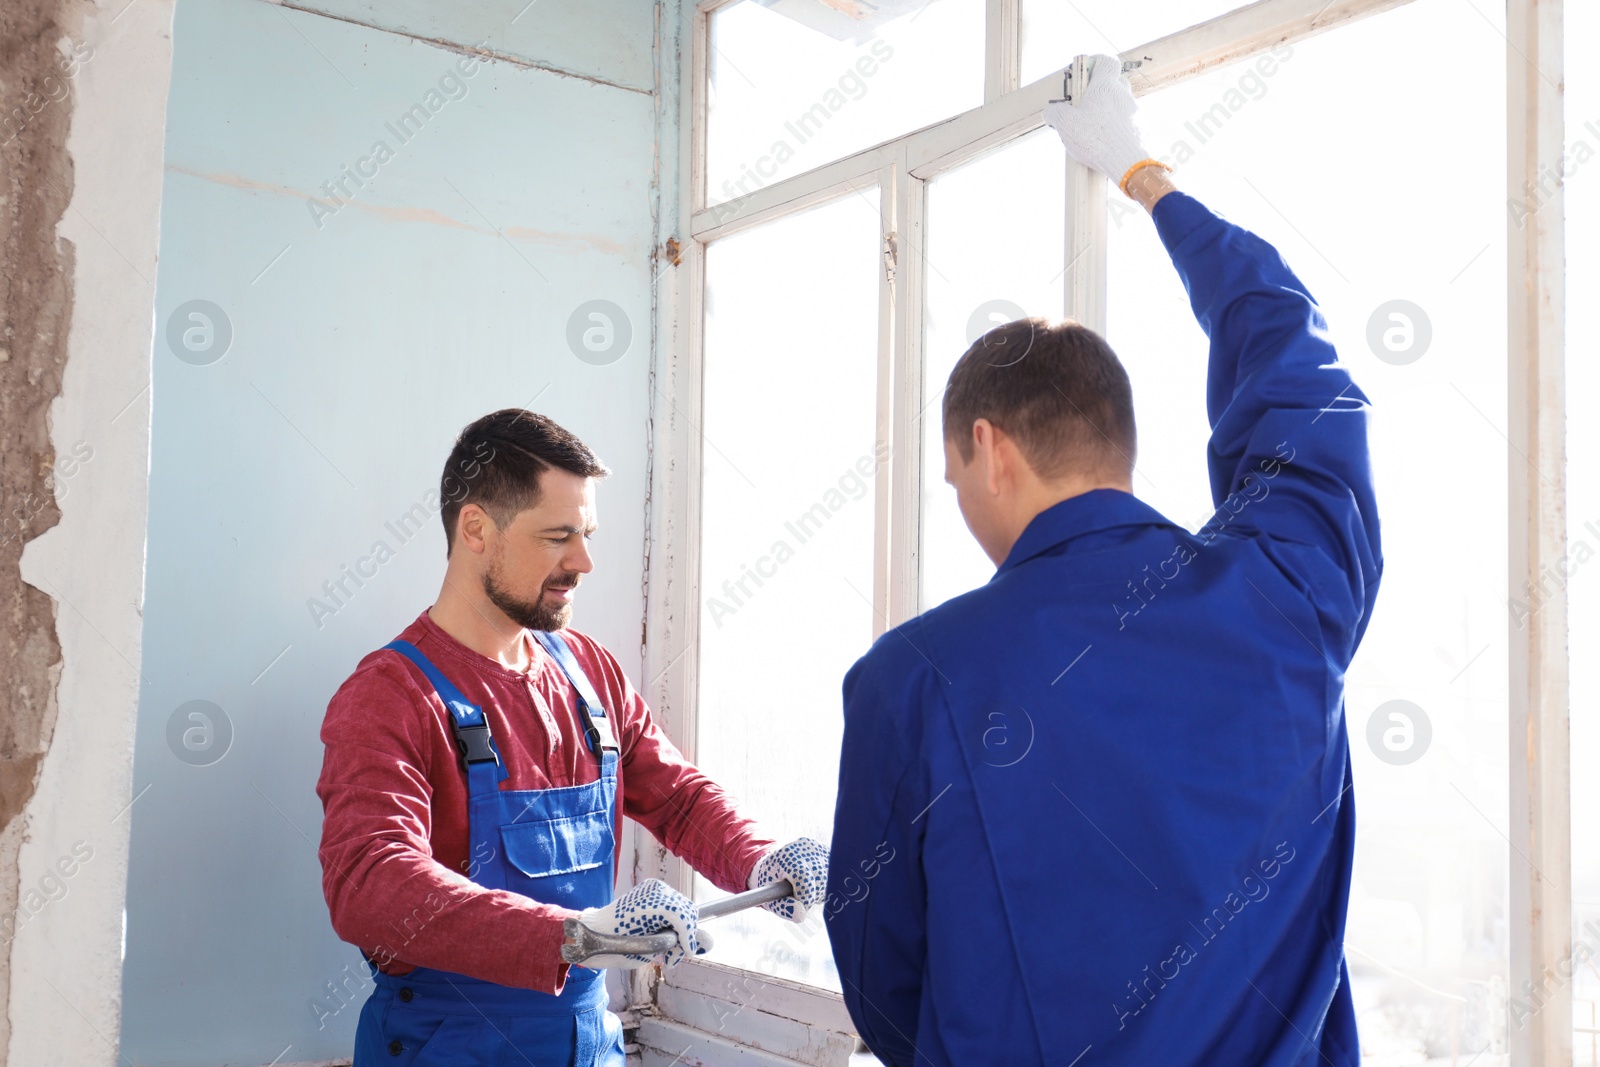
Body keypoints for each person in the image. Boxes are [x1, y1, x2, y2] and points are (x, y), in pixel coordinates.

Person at [825, 55, 1380, 1066]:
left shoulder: (910, 680)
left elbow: (882, 977)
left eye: (952, 479)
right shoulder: (1289, 595)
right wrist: (1141, 173)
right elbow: (1297, 363)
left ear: (988, 446)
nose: (961, 505)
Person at [316, 409, 829, 1066]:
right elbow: (371, 882)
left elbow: (677, 797)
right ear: (475, 528)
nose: (583, 561)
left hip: (588, 1044)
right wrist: (572, 935)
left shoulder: (588, 673)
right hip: (445, 1045)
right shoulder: (390, 695)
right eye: (559, 536)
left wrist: (760, 859)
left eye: (587, 533)